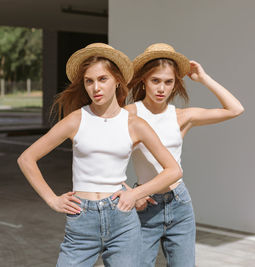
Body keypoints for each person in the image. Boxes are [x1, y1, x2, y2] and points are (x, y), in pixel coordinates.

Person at [17, 43, 182, 267]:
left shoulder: (134, 124)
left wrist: (136, 194)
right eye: (89, 81)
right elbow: (26, 158)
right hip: (81, 218)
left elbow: (174, 170)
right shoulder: (76, 119)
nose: (96, 87)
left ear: (117, 80)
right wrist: (52, 200)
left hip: (122, 220)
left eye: (102, 79)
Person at [125, 43, 244, 267]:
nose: (162, 88)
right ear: (144, 80)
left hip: (179, 204)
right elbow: (105, 157)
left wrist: (204, 78)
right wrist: (130, 192)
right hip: (144, 205)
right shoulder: (129, 114)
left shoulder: (181, 116)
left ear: (175, 84)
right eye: (155, 80)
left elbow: (235, 109)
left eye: (168, 82)